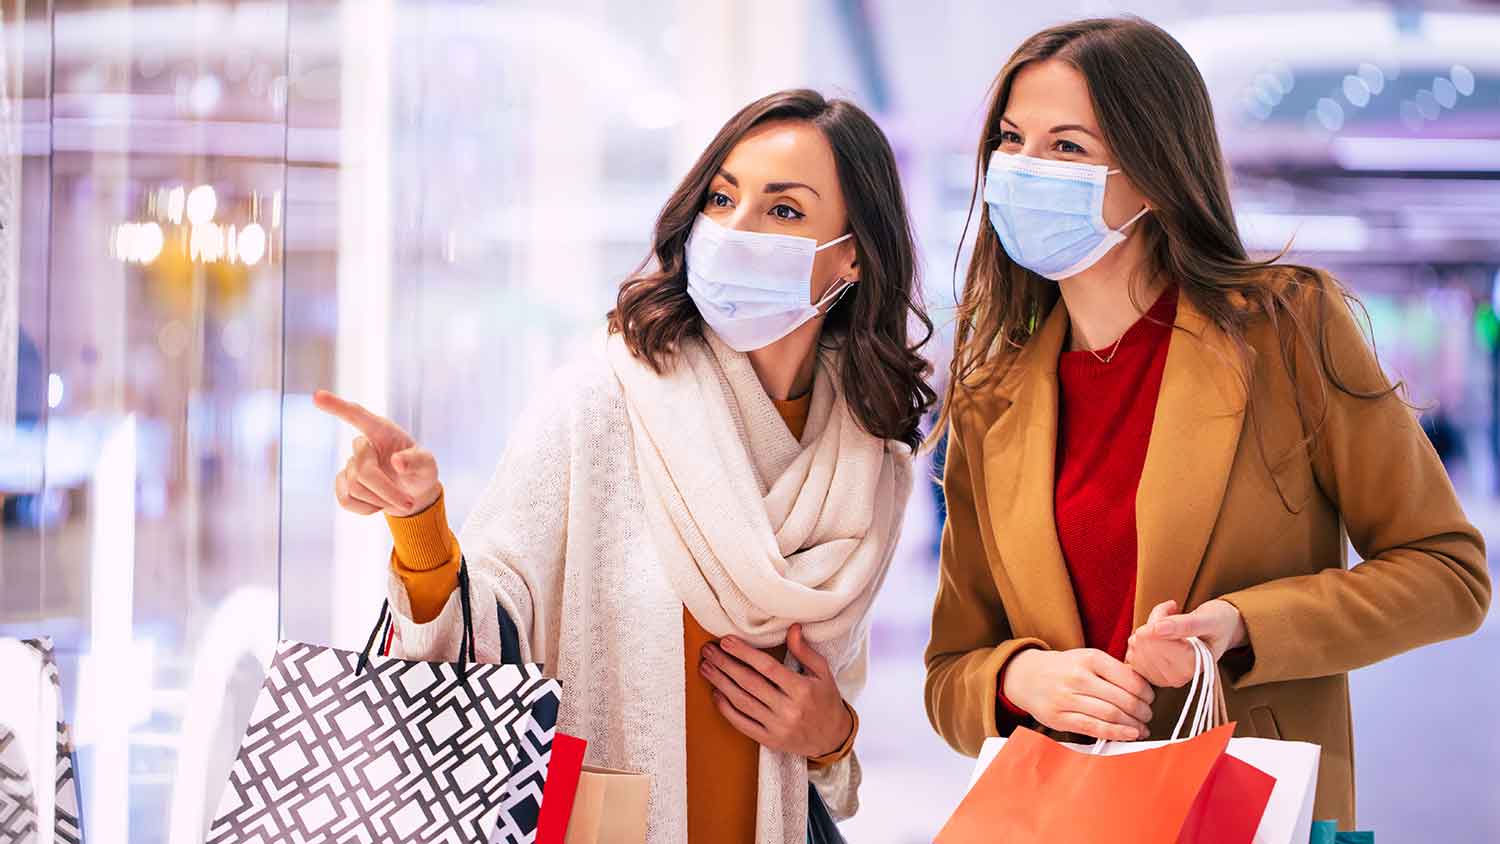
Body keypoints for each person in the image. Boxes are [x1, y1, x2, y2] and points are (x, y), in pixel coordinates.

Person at [318, 88, 934, 844]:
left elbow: (823, 713)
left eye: (783, 211)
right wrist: (418, 524)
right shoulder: (606, 399)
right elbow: (484, 633)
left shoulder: (867, 461)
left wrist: (832, 733)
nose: (734, 229)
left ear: (851, 257)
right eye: (721, 197)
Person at [922, 17, 1490, 829]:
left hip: (1238, 808)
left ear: (1154, 172)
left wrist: (1241, 627)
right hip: (1063, 813)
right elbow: (951, 671)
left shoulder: (1286, 328)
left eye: (1067, 147)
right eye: (1012, 140)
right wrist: (1018, 680)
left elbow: (1448, 574)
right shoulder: (992, 392)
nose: (1021, 169)